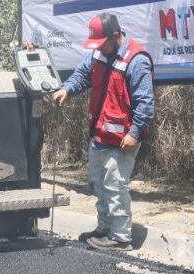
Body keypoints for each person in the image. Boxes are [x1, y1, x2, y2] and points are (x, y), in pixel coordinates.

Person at [46, 13, 155, 251]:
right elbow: (82, 75)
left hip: (123, 139)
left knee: (115, 186)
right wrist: (66, 89)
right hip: (99, 135)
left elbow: (145, 103)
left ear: (115, 36)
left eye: (102, 43)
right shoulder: (98, 53)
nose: (98, 48)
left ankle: (121, 237)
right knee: (99, 184)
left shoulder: (137, 60)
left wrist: (135, 133)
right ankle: (104, 229)